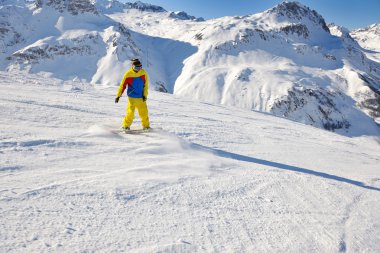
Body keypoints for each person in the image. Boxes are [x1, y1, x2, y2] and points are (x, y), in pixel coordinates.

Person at [115, 58, 150, 130]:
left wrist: (144, 95)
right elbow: (123, 85)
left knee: (144, 113)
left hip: (141, 97)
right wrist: (118, 95)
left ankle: (146, 126)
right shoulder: (128, 74)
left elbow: (146, 85)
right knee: (130, 113)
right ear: (133, 66)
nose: (138, 69)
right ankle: (126, 126)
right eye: (137, 67)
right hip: (132, 97)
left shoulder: (143, 73)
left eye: (140, 67)